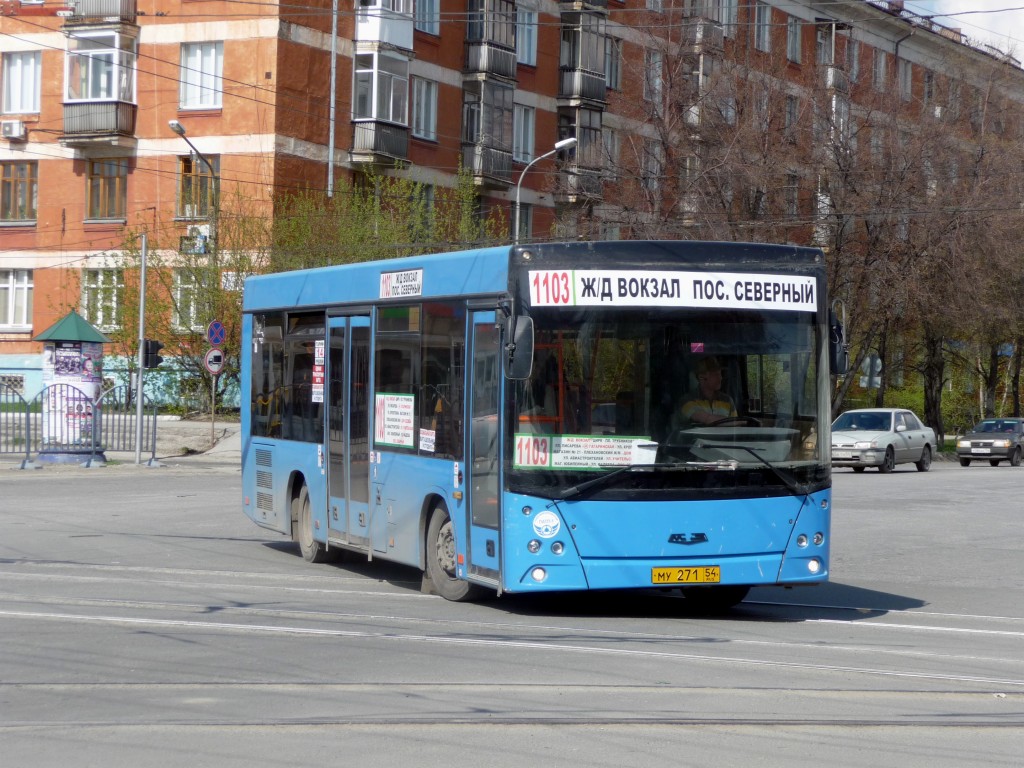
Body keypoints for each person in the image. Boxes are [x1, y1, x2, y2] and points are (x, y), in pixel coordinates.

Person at [679, 356, 737, 426]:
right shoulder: (687, 401)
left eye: (720, 374)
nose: (720, 378)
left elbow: (735, 426)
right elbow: (708, 419)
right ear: (701, 377)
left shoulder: (728, 400)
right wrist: (744, 421)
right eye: (716, 375)